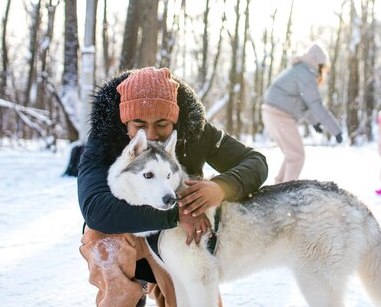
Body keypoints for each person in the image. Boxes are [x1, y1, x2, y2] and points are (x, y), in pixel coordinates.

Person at [77, 67, 268, 307]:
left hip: (178, 238)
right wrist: (177, 214)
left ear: (175, 119)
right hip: (128, 231)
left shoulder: (195, 133)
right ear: (125, 122)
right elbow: (95, 209)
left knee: (194, 297)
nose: (152, 135)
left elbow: (255, 162)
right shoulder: (103, 142)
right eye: (139, 125)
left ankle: (162, 286)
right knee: (103, 242)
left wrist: (221, 187)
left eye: (162, 124)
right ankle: (127, 297)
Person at [261, 42, 342, 184]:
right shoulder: (307, 73)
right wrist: (336, 130)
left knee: (291, 155)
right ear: (319, 63)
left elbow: (303, 104)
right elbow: (316, 105)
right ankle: (284, 197)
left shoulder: (300, 69)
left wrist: (315, 123)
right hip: (279, 115)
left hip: (271, 113)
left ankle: (278, 188)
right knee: (297, 156)